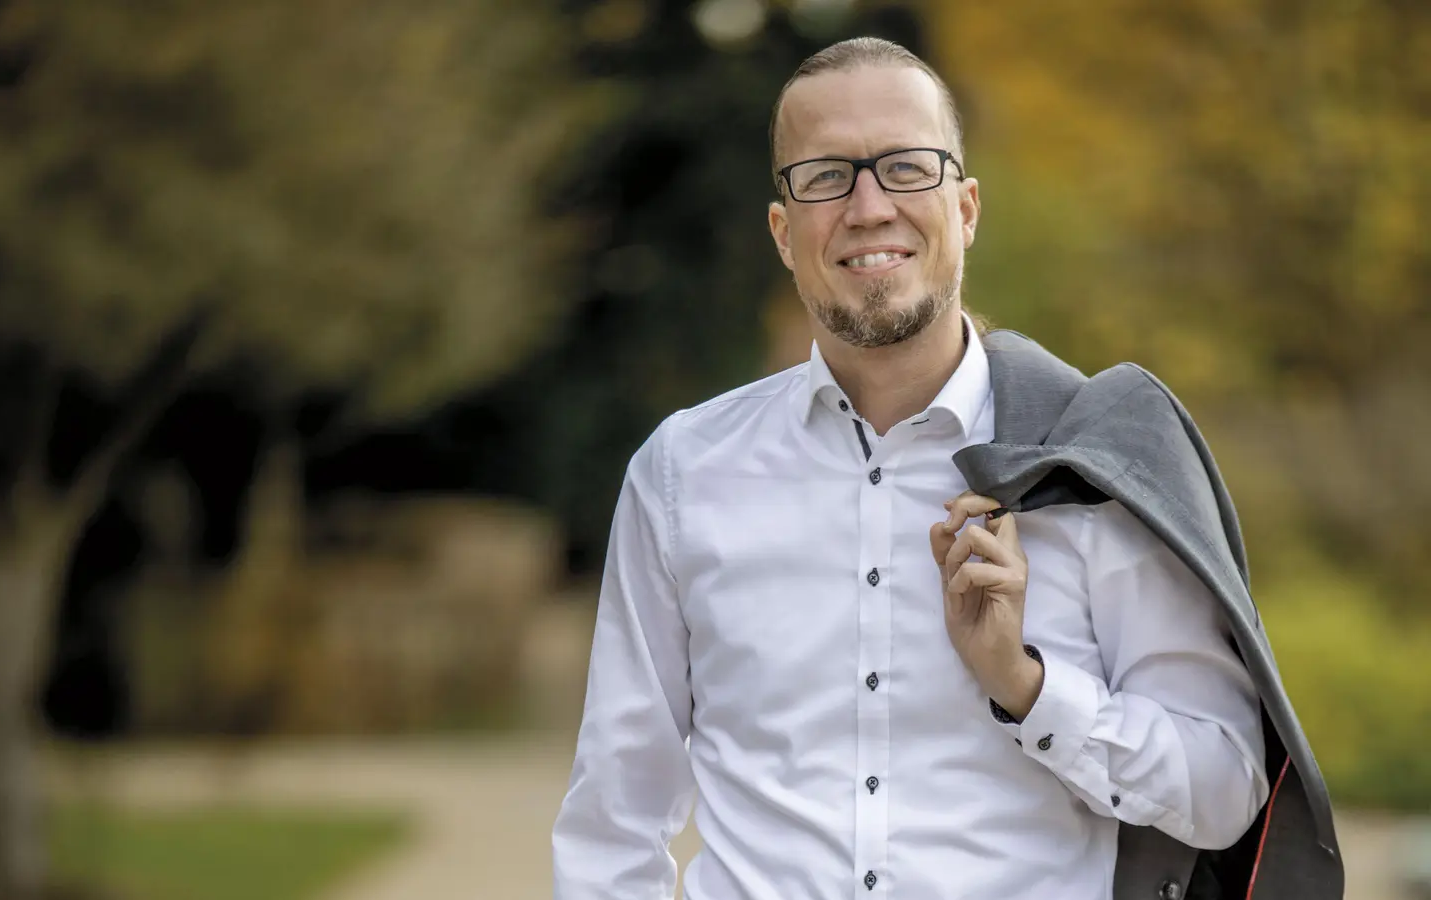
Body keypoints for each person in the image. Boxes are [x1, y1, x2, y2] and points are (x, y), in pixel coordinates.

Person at [552, 37, 1337, 900]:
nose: (868, 205)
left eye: (907, 168)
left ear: (965, 209)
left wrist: (1029, 688)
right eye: (824, 176)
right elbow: (614, 823)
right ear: (783, 232)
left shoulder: (1098, 463)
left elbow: (1226, 790)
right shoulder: (682, 474)